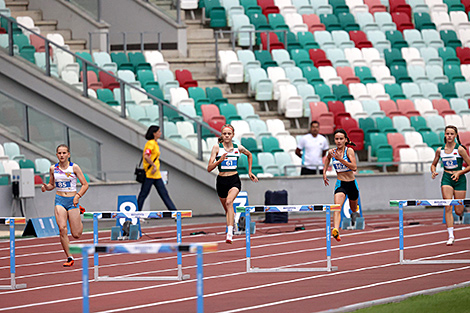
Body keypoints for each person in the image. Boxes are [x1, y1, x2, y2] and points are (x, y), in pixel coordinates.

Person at [207, 124, 258, 244]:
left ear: (233, 135)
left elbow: (249, 155)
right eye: (224, 134)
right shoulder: (217, 148)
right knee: (227, 209)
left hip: (234, 180)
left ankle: (230, 233)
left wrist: (250, 171)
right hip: (221, 181)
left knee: (230, 202)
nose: (226, 136)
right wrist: (219, 161)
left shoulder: (238, 148)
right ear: (221, 135)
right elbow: (209, 168)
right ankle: (233, 223)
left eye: (229, 134)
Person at [41, 144, 88, 267]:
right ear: (57, 155)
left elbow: (85, 184)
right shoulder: (53, 168)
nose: (62, 155)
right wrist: (46, 187)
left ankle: (79, 211)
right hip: (59, 200)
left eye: (64, 153)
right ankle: (69, 257)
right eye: (59, 153)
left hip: (72, 201)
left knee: (76, 235)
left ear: (68, 154)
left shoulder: (74, 168)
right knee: (62, 228)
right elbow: (52, 185)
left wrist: (78, 196)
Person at [431, 125, 470, 246]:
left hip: (459, 179)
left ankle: (463, 211)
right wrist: (433, 171)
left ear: (455, 135)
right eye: (447, 134)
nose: (449, 136)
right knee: (448, 206)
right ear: (444, 135)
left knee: (458, 210)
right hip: (447, 178)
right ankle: (451, 235)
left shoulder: (460, 150)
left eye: (452, 134)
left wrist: (459, 172)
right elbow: (434, 164)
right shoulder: (440, 150)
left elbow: (469, 165)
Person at [323, 129, 360, 242]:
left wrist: (340, 159)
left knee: (353, 208)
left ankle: (355, 211)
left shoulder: (349, 151)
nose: (338, 141)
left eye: (341, 139)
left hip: (352, 184)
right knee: (337, 207)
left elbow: (354, 167)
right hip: (340, 184)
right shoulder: (331, 152)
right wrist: (324, 172)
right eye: (336, 139)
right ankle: (336, 230)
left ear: (345, 140)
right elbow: (327, 160)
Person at [137, 125, 177, 212]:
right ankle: (137, 213)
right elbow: (146, 156)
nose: (160, 133)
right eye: (158, 132)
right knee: (144, 194)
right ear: (154, 134)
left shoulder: (155, 143)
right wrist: (153, 165)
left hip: (156, 174)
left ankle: (174, 212)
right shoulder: (150, 144)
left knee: (164, 193)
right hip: (150, 174)